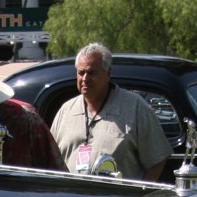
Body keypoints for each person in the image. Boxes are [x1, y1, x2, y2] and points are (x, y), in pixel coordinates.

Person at [50, 43, 169, 181]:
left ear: (108, 73)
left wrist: (139, 195)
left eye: (92, 73)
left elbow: (157, 159)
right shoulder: (66, 110)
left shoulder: (135, 107)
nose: (85, 79)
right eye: (81, 73)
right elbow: (50, 159)